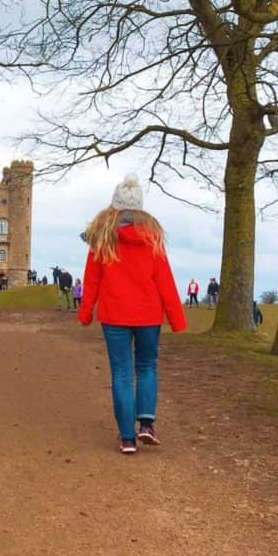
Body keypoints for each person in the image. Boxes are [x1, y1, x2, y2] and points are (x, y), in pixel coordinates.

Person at [77, 173, 187, 454]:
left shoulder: (102, 239)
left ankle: (127, 437)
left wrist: (86, 311)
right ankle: (146, 423)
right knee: (147, 366)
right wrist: (177, 318)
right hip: (148, 314)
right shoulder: (152, 239)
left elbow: (92, 279)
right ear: (141, 208)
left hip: (114, 314)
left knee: (122, 373)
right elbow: (165, 280)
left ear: (114, 207)